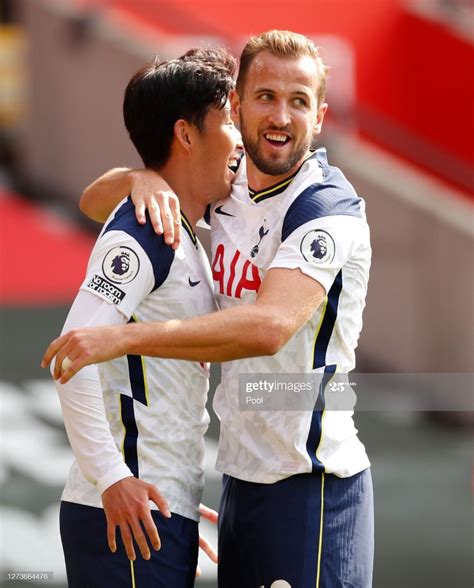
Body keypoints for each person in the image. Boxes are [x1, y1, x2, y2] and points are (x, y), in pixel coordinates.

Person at [43, 30, 374, 587]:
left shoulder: (326, 208)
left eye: (299, 101)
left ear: (319, 117)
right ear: (238, 105)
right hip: (236, 484)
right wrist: (140, 177)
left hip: (311, 481)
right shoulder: (224, 187)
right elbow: (93, 200)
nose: (280, 115)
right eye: (265, 96)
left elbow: (269, 328)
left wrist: (124, 338)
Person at [47, 48, 239, 587]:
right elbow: (71, 353)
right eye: (229, 121)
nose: (241, 141)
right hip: (126, 513)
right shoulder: (147, 229)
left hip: (157, 508)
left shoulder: (178, 226)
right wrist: (114, 480)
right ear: (186, 134)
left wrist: (174, 491)